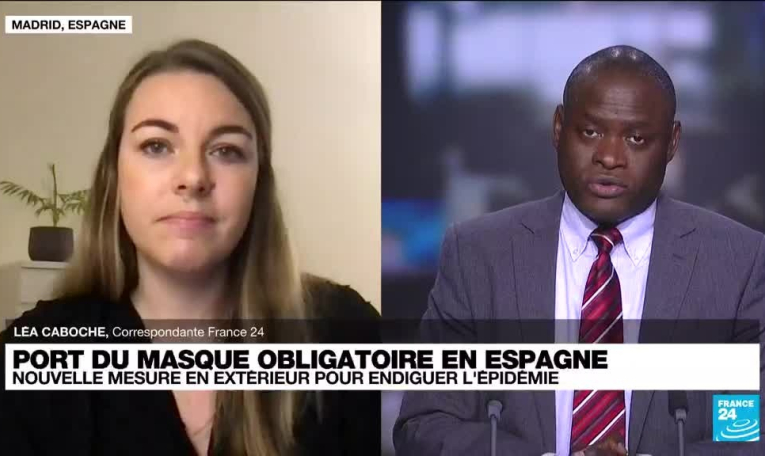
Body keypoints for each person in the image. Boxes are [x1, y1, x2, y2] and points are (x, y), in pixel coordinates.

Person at [0, 39, 380, 455]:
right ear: (114, 175)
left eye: (226, 151)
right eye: (156, 146)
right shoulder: (33, 355)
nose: (193, 177)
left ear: (259, 182)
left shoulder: (347, 333)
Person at [393, 45, 765, 455]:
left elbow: (751, 433)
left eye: (637, 138)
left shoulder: (737, 263)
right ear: (558, 128)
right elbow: (427, 423)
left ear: (672, 143)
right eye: (590, 132)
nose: (609, 157)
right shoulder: (479, 256)